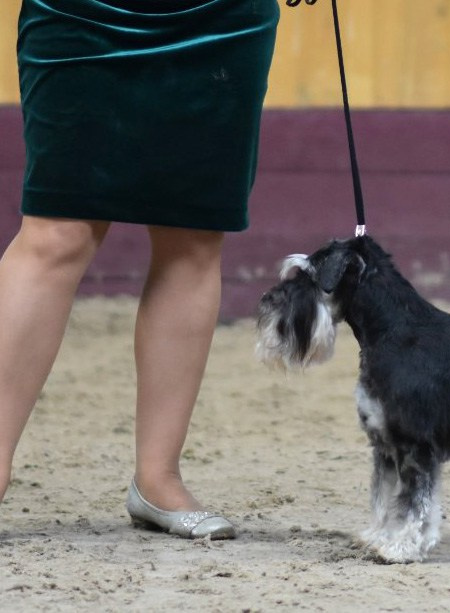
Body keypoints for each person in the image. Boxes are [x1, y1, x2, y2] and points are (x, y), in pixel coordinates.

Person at [0, 0, 281, 538]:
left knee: (192, 236)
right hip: (79, 13)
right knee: (57, 233)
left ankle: (158, 479)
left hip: (221, 20)